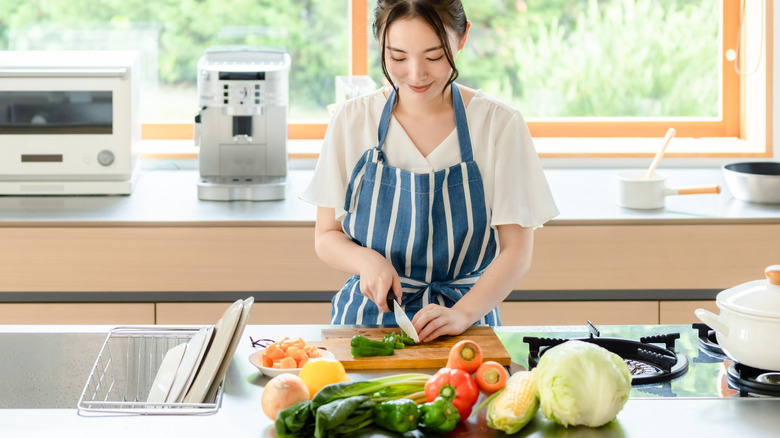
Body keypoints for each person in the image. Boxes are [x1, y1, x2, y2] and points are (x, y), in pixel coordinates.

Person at [300, 0, 559, 342]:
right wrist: (365, 261)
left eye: (434, 56)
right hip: (368, 322)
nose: (416, 74)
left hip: (467, 322)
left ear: (462, 38)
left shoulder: (498, 125)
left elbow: (516, 251)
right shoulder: (352, 120)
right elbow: (326, 236)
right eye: (398, 57)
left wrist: (462, 314)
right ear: (380, 44)